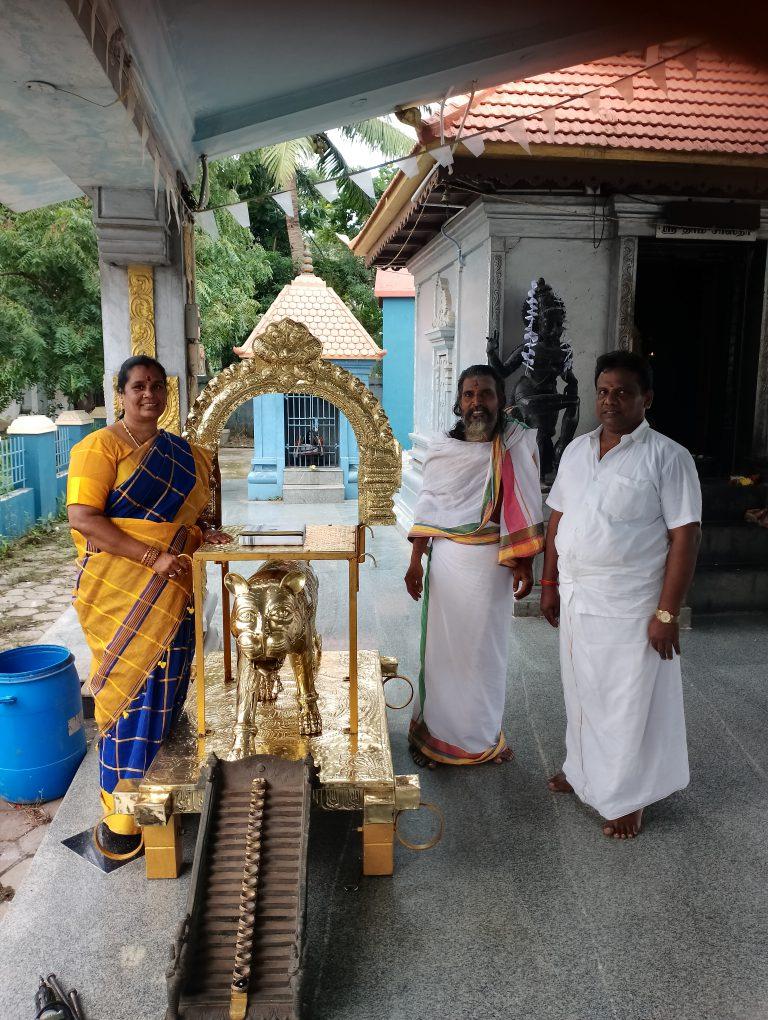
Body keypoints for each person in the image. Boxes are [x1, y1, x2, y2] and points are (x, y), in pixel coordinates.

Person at [67, 356, 230, 857]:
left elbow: (192, 521)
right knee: (125, 690)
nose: (149, 396)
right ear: (120, 392)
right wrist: (150, 556)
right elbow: (83, 518)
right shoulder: (99, 447)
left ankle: (157, 794)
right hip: (118, 591)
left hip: (172, 590)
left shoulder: (182, 454)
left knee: (168, 684)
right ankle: (121, 813)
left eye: (158, 387)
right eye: (138, 386)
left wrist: (202, 536)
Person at [541, 350, 701, 839]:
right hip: (577, 595)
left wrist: (667, 614)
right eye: (604, 391)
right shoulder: (577, 450)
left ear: (646, 399)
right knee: (580, 687)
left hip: (632, 603)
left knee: (626, 698)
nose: (610, 402)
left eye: (623, 393)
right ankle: (582, 768)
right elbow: (559, 517)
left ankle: (629, 796)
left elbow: (685, 536)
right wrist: (549, 581)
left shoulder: (668, 457)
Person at [404, 365, 544, 767]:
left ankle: (482, 739)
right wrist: (415, 562)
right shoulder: (443, 450)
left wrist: (524, 563)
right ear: (458, 402)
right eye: (469, 395)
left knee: (486, 653)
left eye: (485, 394)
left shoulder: (515, 443)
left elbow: (526, 503)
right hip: (448, 562)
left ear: (500, 401)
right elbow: (427, 504)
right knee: (444, 653)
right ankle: (436, 738)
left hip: (493, 564)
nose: (477, 403)